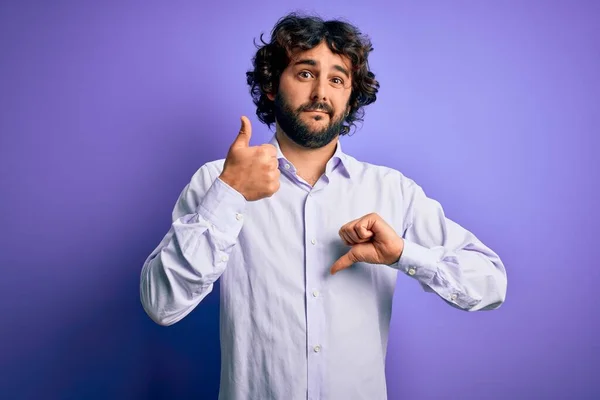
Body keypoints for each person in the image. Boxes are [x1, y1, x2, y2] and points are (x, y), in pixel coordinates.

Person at [140, 12, 507, 400]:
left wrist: (402, 253)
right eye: (304, 73)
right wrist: (229, 194)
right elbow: (161, 305)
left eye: (337, 79)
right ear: (271, 87)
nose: (320, 93)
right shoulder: (219, 181)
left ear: (350, 99)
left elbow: (490, 282)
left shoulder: (392, 190)